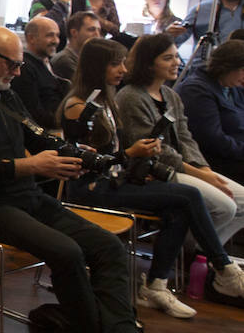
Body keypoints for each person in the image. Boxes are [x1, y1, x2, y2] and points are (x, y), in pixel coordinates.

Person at [0, 26, 200, 333]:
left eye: (21, 64)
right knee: (68, 251)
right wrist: (32, 166)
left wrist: (93, 158)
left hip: (20, 197)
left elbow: (40, 138)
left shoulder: (4, 96)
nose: (18, 72)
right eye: (11, 64)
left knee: (107, 246)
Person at [60, 38, 244, 317]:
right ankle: (223, 268)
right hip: (90, 187)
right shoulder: (79, 106)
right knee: (189, 195)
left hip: (114, 179)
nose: (123, 69)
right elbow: (86, 162)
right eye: (115, 64)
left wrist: (139, 161)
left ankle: (157, 285)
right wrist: (132, 154)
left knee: (178, 208)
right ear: (97, 67)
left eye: (123, 62)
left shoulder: (106, 100)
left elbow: (119, 154)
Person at [124, 34, 244, 246]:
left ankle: (205, 256)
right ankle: (194, 252)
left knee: (242, 201)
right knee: (226, 207)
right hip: (153, 171)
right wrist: (202, 174)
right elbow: (155, 150)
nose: (177, 63)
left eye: (177, 57)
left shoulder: (170, 95)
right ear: (149, 63)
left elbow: (186, 138)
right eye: (168, 58)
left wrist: (205, 170)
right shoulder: (132, 97)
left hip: (185, 166)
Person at [176, 39, 244, 187]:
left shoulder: (232, 87)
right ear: (227, 67)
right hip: (215, 161)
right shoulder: (196, 90)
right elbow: (214, 140)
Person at [8, 15, 67, 130]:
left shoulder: (48, 63)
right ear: (31, 38)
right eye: (50, 35)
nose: (56, 41)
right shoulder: (24, 68)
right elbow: (33, 114)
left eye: (57, 35)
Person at [51, 10, 102, 80]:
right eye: (91, 29)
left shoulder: (88, 58)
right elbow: (84, 87)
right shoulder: (64, 60)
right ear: (74, 32)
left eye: (99, 30)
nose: (97, 34)